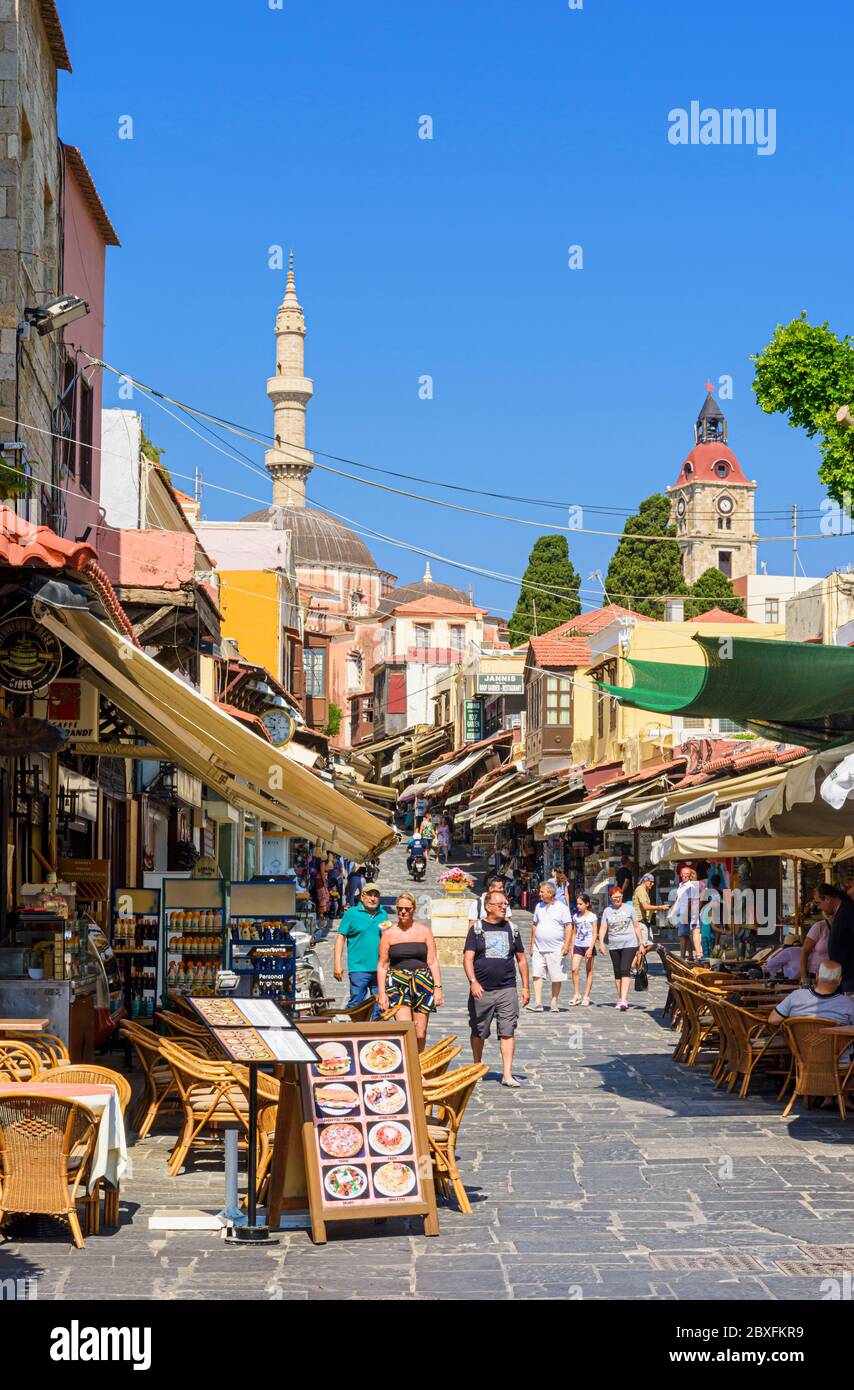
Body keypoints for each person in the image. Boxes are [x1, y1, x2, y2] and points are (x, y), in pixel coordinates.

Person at [464, 887, 529, 1086]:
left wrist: (526, 987)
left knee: (508, 1030)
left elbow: (522, 959)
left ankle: (507, 1074)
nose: (504, 907)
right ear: (488, 907)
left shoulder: (512, 928)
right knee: (479, 1030)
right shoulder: (476, 929)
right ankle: (477, 1066)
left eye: (505, 904)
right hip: (482, 989)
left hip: (507, 988)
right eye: (500, 904)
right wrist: (473, 982)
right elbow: (468, 958)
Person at [377, 891, 442, 1051]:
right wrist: (382, 993)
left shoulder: (424, 931)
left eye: (407, 908)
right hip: (397, 983)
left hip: (422, 982)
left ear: (413, 909)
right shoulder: (388, 934)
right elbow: (382, 965)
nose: (403, 912)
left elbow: (432, 961)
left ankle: (419, 1065)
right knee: (405, 1029)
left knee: (420, 1032)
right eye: (399, 909)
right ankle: (410, 1068)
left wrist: (438, 988)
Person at [333, 884, 389, 1007]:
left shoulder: (383, 915)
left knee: (380, 1004)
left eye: (376, 896)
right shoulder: (351, 914)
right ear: (362, 897)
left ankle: (375, 1026)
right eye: (370, 895)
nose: (373, 899)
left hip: (380, 968)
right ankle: (352, 1026)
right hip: (358, 969)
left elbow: (388, 939)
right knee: (356, 1003)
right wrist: (337, 964)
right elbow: (340, 938)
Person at [598, 885, 646, 1010]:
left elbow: (636, 927)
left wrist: (641, 943)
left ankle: (624, 999)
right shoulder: (607, 911)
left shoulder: (629, 909)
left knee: (625, 969)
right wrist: (602, 942)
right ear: (610, 898)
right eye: (614, 898)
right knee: (618, 972)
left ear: (622, 897)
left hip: (629, 943)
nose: (617, 900)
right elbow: (603, 927)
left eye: (619, 897)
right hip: (614, 944)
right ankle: (620, 998)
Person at [528, 881, 573, 1012]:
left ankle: (554, 1001)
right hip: (538, 947)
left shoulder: (562, 908)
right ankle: (538, 1002)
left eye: (542, 891)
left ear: (550, 893)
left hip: (556, 948)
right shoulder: (538, 907)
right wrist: (532, 945)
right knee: (537, 973)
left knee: (556, 976)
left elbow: (569, 926)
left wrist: (567, 944)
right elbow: (534, 925)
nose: (539, 894)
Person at [769, 960, 854, 1027]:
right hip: (838, 1049)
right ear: (839, 980)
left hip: (800, 1048)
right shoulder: (848, 1004)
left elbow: (773, 1020)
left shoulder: (796, 996)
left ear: (817, 976)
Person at [815, 883, 854, 991]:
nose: (819, 907)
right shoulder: (841, 912)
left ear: (827, 898)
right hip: (843, 976)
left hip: (850, 976)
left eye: (819, 903)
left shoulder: (849, 910)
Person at [570, 891, 598, 1006]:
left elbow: (595, 933)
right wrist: (572, 948)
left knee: (589, 971)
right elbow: (574, 933)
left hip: (588, 945)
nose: (578, 906)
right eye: (577, 904)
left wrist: (590, 948)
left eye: (581, 904)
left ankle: (586, 995)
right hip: (578, 945)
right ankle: (577, 994)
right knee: (574, 969)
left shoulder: (592, 916)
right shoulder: (575, 917)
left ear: (587, 904)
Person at [669, 864, 701, 960]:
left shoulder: (691, 886)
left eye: (687, 874)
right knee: (684, 936)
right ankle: (689, 956)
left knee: (689, 935)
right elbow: (677, 900)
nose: (685, 875)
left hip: (689, 914)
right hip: (682, 913)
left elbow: (690, 901)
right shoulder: (680, 885)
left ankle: (693, 955)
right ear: (680, 875)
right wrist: (672, 912)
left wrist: (686, 913)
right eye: (683, 874)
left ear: (690, 875)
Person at [801, 903, 831, 980]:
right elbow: (804, 952)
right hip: (816, 974)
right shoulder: (820, 926)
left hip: (837, 974)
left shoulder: (845, 927)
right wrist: (804, 977)